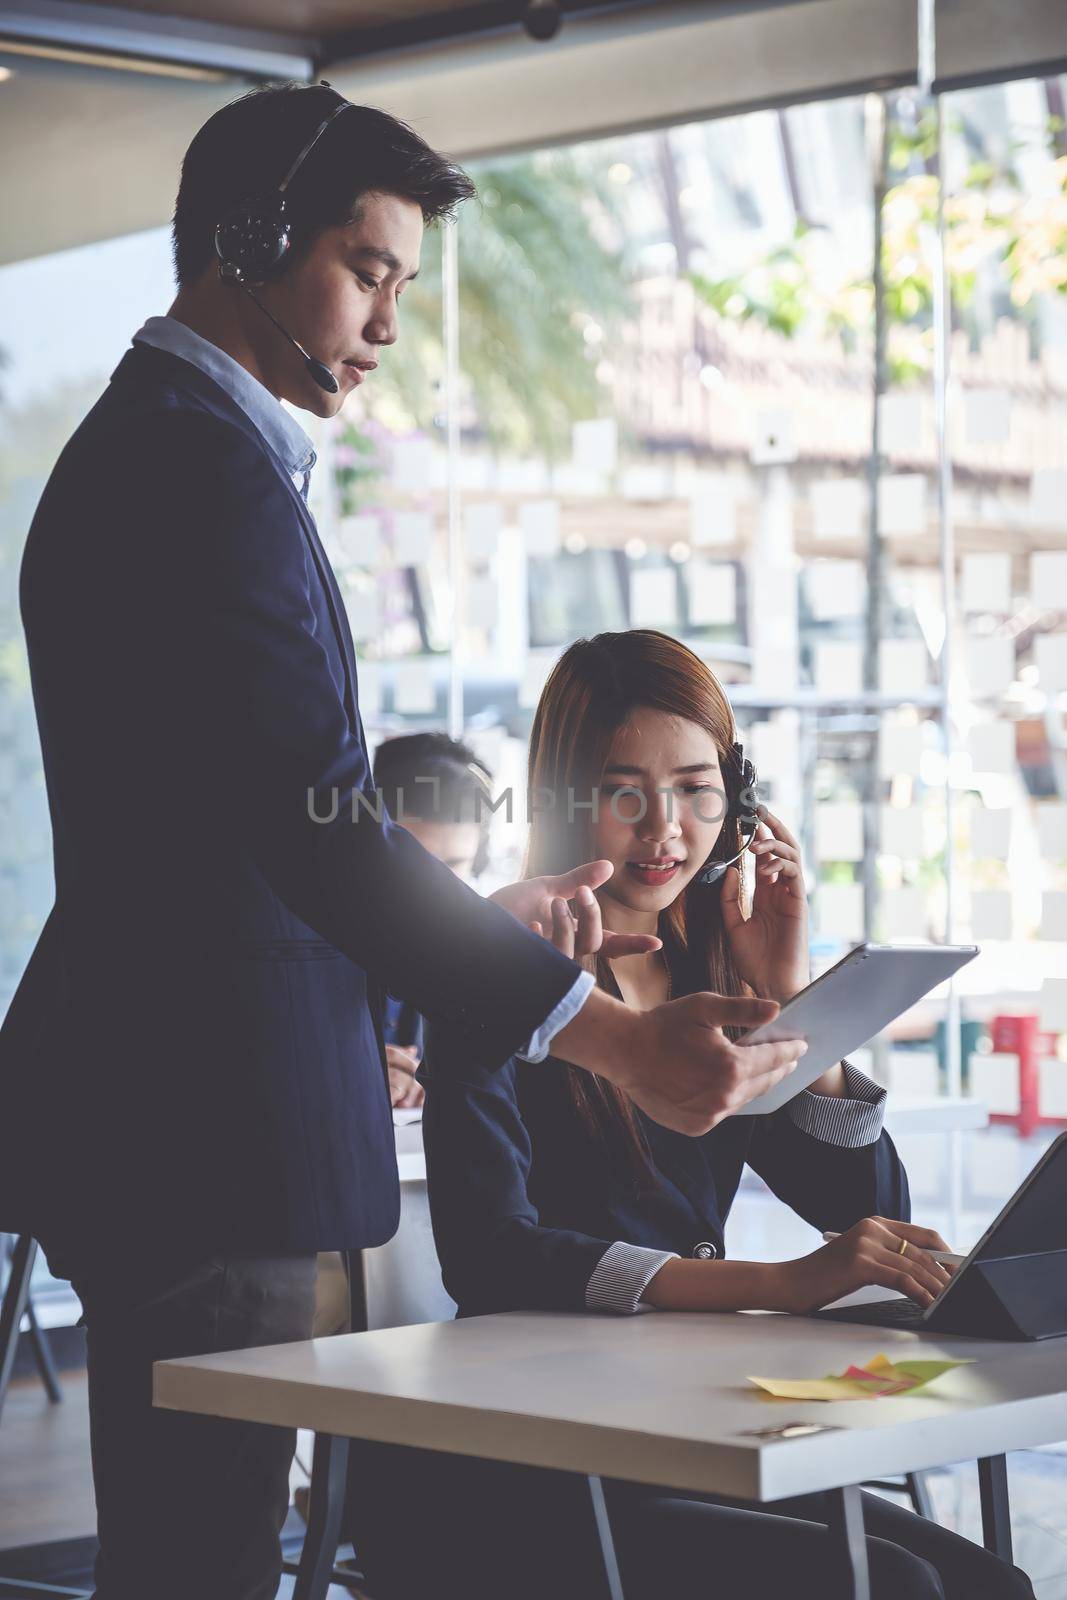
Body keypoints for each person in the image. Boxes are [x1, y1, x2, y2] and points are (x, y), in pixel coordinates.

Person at [0, 85, 807, 1599]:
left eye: (401, 289)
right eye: (366, 273)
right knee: (203, 1565)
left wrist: (470, 934)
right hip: (206, 1133)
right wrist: (613, 1045)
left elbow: (243, 843)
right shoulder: (200, 468)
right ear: (245, 242)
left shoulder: (184, 451)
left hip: (194, 1114)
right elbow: (320, 829)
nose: (383, 324)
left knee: (211, 1555)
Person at [339, 629, 1034, 1600]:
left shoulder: (708, 961)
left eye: (696, 789)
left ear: (737, 799)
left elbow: (861, 1206)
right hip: (522, 1458)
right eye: (625, 791)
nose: (663, 829)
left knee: (983, 1586)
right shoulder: (499, 963)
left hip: (682, 1427)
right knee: (895, 1588)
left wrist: (790, 993)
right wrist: (780, 1283)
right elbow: (492, 1255)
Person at [373, 731, 494, 1107]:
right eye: (417, 866)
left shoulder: (485, 950)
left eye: (454, 866)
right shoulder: (313, 950)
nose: (436, 891)